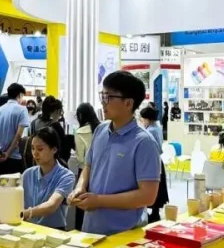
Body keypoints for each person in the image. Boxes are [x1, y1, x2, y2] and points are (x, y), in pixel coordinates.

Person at [68, 71, 161, 235]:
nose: (103, 102)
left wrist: (99, 201)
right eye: (102, 96)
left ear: (128, 103)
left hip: (124, 233)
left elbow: (147, 196)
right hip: (91, 228)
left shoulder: (144, 142)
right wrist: (80, 187)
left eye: (108, 97)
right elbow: (89, 165)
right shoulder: (100, 130)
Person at [21, 127, 77, 230]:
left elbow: (51, 206)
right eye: (32, 148)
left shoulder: (66, 176)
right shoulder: (28, 174)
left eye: (40, 149)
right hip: (28, 228)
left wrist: (24, 214)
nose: (35, 153)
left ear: (54, 149)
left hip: (53, 231)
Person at [0, 83, 30, 182]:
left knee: (2, 185)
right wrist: (8, 153)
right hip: (15, 156)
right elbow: (18, 135)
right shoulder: (22, 110)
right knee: (14, 186)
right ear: (20, 95)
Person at [72, 102, 101, 230]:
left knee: (81, 204)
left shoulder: (80, 132)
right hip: (100, 171)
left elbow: (80, 158)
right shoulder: (101, 129)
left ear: (80, 116)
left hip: (84, 172)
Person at [139, 105, 170, 223]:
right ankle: (155, 212)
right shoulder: (157, 127)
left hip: (152, 161)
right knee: (158, 187)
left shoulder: (150, 131)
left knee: (152, 187)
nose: (142, 122)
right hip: (157, 160)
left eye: (142, 119)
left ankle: (153, 213)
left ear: (147, 119)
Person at [25, 95, 69, 167]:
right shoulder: (56, 126)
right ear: (57, 111)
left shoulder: (33, 123)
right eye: (60, 112)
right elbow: (63, 148)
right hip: (51, 163)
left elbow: (30, 141)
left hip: (35, 160)